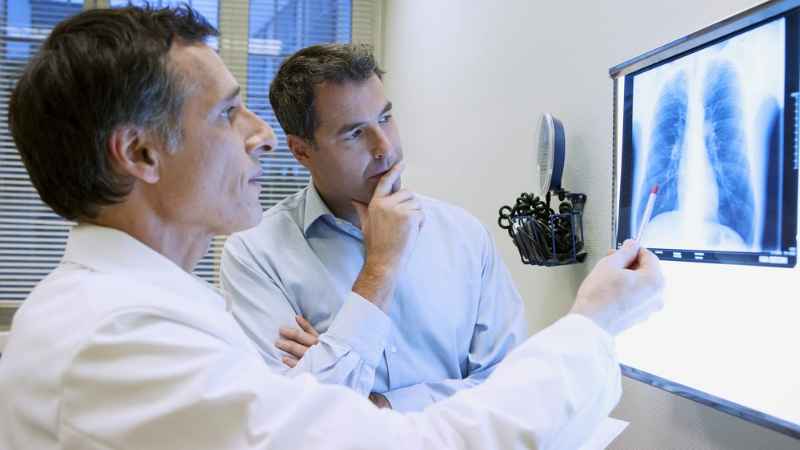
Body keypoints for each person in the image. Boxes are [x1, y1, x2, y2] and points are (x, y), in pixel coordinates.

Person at [0, 5, 665, 450]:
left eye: (387, 117)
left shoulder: (144, 312)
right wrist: (592, 323)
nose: (259, 136)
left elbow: (482, 382)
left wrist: (361, 394)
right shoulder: (122, 338)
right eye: (228, 114)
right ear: (141, 153)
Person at [220, 44, 526, 412]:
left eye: (385, 118)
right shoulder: (255, 254)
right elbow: (291, 413)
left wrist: (378, 404)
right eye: (354, 134)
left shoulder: (465, 236)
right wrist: (381, 266)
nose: (384, 147)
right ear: (301, 152)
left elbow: (509, 388)